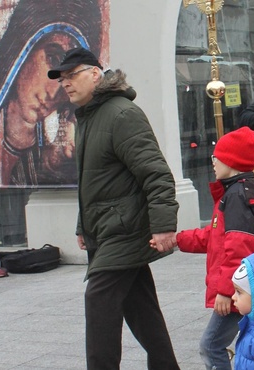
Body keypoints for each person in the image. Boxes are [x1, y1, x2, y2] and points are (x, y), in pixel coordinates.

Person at [47, 47, 180, 369]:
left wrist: (164, 226)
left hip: (125, 230)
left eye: (72, 75)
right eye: (61, 78)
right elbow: (96, 180)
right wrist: (84, 225)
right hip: (108, 229)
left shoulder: (121, 114)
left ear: (95, 73)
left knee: (99, 302)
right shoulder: (90, 117)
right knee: (141, 309)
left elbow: (157, 174)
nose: (65, 84)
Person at [163, 126, 254, 370]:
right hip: (243, 287)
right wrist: (177, 240)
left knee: (211, 346)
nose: (213, 162)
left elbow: (239, 248)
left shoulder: (237, 196)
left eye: (216, 157)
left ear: (231, 161)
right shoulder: (237, 192)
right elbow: (215, 236)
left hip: (238, 289)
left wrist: (225, 291)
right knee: (245, 344)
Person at [0, 0, 102, 186]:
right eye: (53, 59)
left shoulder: (48, 156)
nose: (55, 93)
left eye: (71, 77)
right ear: (23, 49)